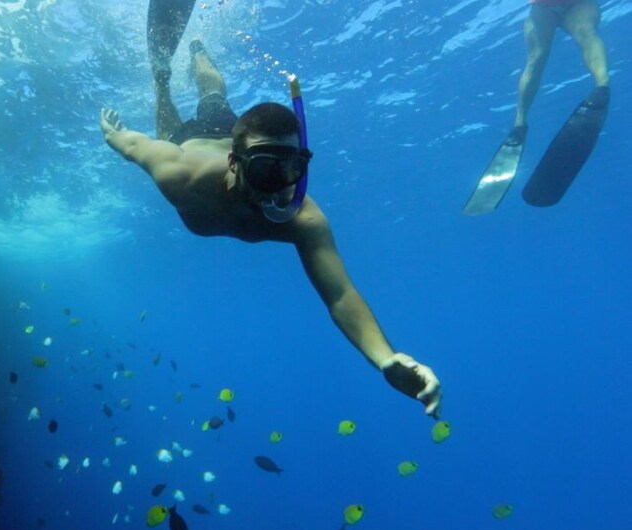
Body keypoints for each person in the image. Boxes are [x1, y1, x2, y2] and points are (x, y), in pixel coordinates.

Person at [99, 6, 442, 418]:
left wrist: (386, 358)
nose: (281, 187)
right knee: (165, 113)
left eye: (292, 169)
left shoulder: (304, 218)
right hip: (192, 141)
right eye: (266, 170)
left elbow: (340, 294)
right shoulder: (181, 174)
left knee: (213, 96)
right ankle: (162, 73)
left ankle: (197, 47)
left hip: (232, 130)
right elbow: (134, 147)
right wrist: (114, 134)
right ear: (234, 162)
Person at [510, 0, 610, 144]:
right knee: (536, 58)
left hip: (579, 3)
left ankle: (602, 86)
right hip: (542, 7)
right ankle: (519, 123)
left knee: (586, 33)